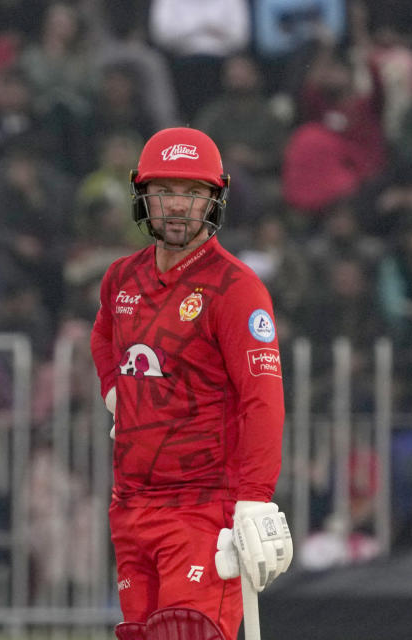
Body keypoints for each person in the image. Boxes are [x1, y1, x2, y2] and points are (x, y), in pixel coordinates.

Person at [89, 127, 293, 640]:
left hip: (205, 507)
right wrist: (116, 394)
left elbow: (262, 400)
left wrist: (254, 497)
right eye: (165, 192)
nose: (178, 206)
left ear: (215, 199)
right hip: (131, 505)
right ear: (143, 195)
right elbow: (102, 336)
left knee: (185, 633)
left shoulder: (237, 289)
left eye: (193, 193)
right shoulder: (121, 277)